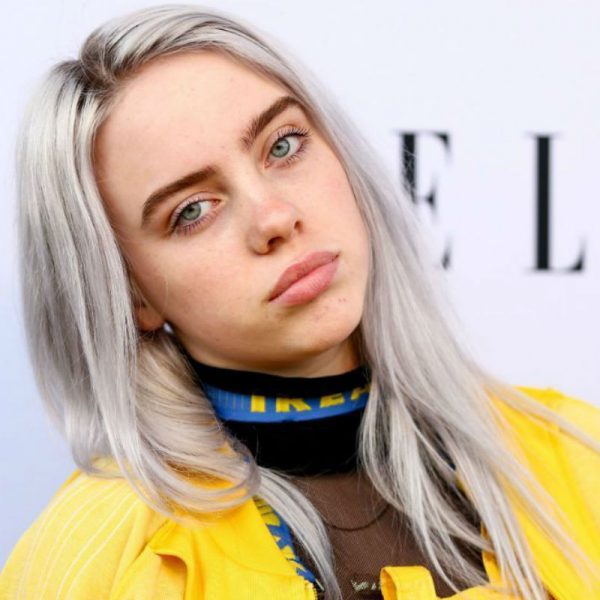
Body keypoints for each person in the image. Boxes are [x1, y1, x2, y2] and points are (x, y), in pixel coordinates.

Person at [1, 5, 599, 599]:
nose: (275, 217)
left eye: (284, 146)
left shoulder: (577, 454)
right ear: (130, 293)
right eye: (193, 210)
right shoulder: (107, 562)